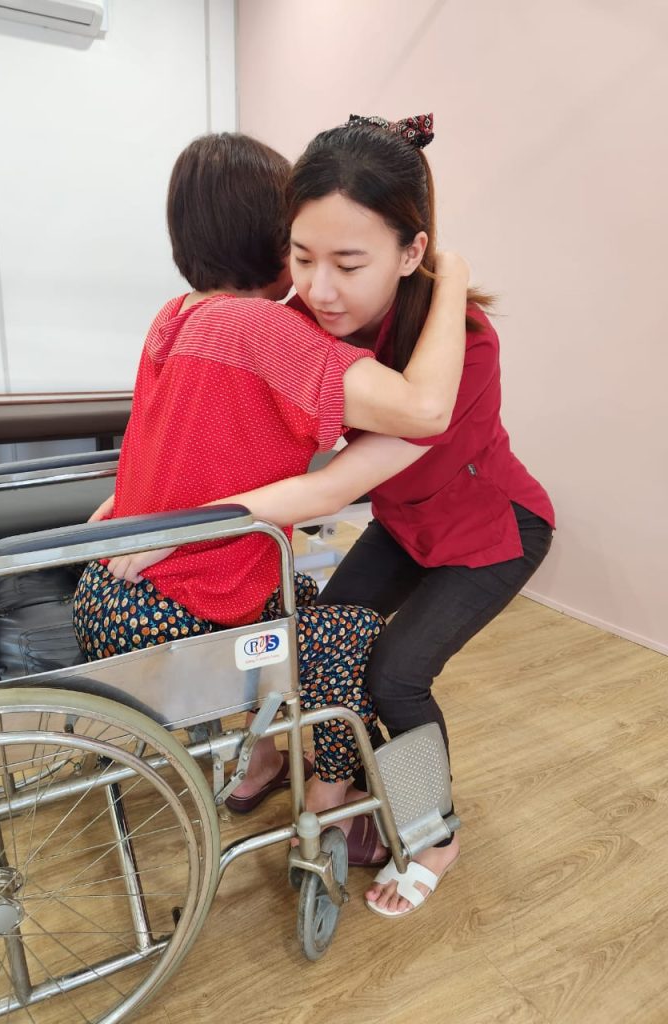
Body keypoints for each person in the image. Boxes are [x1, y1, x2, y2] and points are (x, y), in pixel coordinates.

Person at [73, 132, 471, 817]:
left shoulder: (176, 318)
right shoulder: (265, 331)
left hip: (110, 595)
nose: (320, 282)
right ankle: (344, 809)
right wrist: (455, 274)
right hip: (181, 617)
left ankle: (262, 761)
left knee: (300, 604)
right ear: (275, 235)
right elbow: (424, 409)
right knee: (353, 640)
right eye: (304, 249)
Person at [282, 114, 555, 916]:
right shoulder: (308, 320)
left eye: (348, 262)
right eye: (302, 258)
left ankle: (434, 831)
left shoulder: (463, 343)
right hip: (407, 523)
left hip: (494, 533)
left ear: (411, 252)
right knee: (330, 628)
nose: (319, 287)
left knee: (396, 675)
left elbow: (341, 475)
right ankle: (355, 784)